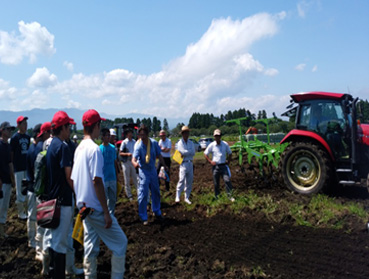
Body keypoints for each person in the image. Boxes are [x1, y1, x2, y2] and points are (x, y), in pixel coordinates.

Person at [71, 109, 127, 279]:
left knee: (91, 244)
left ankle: (90, 275)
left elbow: (73, 180)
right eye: (99, 125)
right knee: (120, 243)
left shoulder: (78, 149)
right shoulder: (94, 150)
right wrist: (106, 212)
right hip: (95, 208)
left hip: (83, 208)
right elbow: (97, 181)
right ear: (96, 126)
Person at [43, 111, 76, 279]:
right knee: (60, 244)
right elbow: (69, 176)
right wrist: (78, 194)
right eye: (68, 126)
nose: (69, 129)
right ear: (62, 127)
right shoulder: (63, 147)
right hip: (63, 201)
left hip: (52, 200)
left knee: (54, 240)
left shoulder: (51, 145)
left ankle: (51, 272)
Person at [132, 125, 167, 225]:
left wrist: (164, 165)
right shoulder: (138, 146)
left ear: (147, 134)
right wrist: (135, 164)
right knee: (143, 194)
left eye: (144, 135)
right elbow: (133, 159)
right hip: (143, 171)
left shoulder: (154, 143)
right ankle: (143, 216)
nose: (142, 137)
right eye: (140, 135)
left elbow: (159, 155)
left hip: (152, 170)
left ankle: (157, 211)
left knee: (156, 191)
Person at [25, 123, 43, 248]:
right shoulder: (36, 149)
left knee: (33, 215)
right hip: (35, 187)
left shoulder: (31, 148)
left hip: (32, 187)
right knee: (35, 216)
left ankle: (33, 240)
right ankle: (34, 240)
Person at [204, 129, 235, 201]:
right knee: (216, 182)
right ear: (214, 137)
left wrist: (228, 161)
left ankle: (230, 196)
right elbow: (205, 154)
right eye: (215, 136)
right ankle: (217, 196)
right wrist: (210, 161)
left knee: (227, 180)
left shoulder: (225, 144)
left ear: (220, 136)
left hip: (223, 165)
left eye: (218, 136)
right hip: (215, 166)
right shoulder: (212, 145)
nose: (217, 137)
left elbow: (230, 153)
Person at [10, 115, 30, 219]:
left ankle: (26, 210)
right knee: (19, 190)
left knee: (26, 189)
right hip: (18, 168)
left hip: (26, 167)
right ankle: (20, 212)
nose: (25, 125)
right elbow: (12, 154)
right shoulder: (14, 138)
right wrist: (13, 166)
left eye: (26, 123)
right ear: (18, 125)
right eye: (23, 124)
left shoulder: (27, 137)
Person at [0, 122, 16, 238]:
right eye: (8, 129)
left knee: (5, 206)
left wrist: (13, 178)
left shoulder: (8, 145)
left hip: (7, 180)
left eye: (11, 130)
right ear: (2, 130)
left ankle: (2, 230)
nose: (10, 132)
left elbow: (10, 162)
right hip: (1, 181)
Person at [100, 128, 119, 214]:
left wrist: (117, 175)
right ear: (102, 137)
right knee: (104, 199)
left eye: (109, 135)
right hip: (104, 178)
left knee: (112, 198)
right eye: (107, 135)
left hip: (112, 177)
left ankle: (111, 214)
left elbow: (115, 162)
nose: (108, 137)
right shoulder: (99, 149)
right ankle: (105, 214)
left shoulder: (112, 148)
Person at [175, 126, 195, 204]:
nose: (186, 134)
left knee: (189, 181)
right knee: (181, 180)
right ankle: (177, 196)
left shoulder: (191, 142)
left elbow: (193, 152)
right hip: (183, 163)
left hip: (190, 163)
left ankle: (187, 197)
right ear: (182, 134)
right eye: (185, 133)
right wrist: (187, 152)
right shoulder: (179, 143)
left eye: (187, 132)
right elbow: (181, 151)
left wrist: (186, 152)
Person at [119, 129, 137, 201]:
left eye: (131, 133)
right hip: (126, 161)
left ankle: (138, 193)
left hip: (133, 161)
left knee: (135, 178)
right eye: (129, 133)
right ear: (127, 135)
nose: (130, 135)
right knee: (127, 179)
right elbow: (120, 153)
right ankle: (129, 195)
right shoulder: (124, 142)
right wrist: (127, 154)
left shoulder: (134, 142)